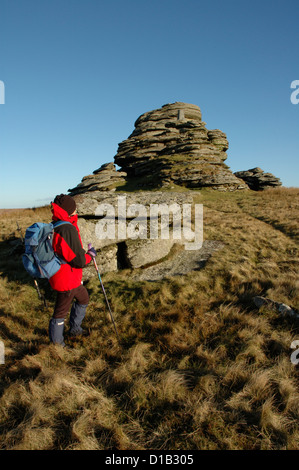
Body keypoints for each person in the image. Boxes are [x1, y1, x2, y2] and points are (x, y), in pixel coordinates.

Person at [48, 194, 97, 346]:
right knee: (60, 312)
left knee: (83, 298)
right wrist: (90, 255)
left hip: (68, 276)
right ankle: (57, 346)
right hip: (66, 279)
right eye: (74, 208)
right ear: (69, 210)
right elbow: (78, 260)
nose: (77, 210)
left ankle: (75, 329)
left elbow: (70, 252)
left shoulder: (56, 225)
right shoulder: (66, 229)